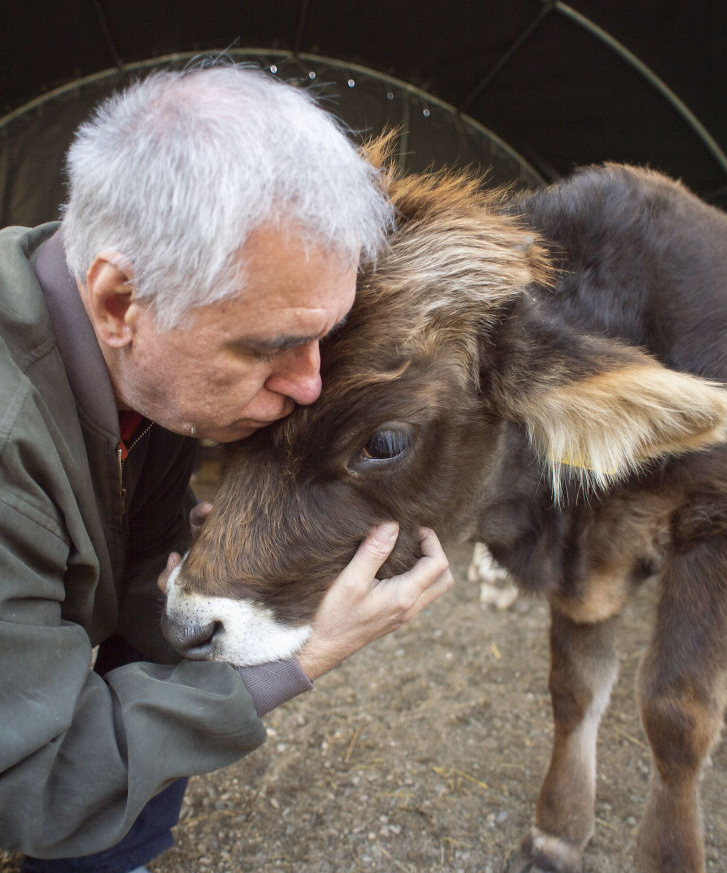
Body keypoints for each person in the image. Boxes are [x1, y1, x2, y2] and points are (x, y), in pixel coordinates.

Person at [0, 63, 453, 873]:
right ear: (117, 304)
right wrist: (299, 660)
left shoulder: (156, 371)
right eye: (269, 345)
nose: (310, 384)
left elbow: (136, 579)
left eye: (326, 334)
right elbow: (33, 791)